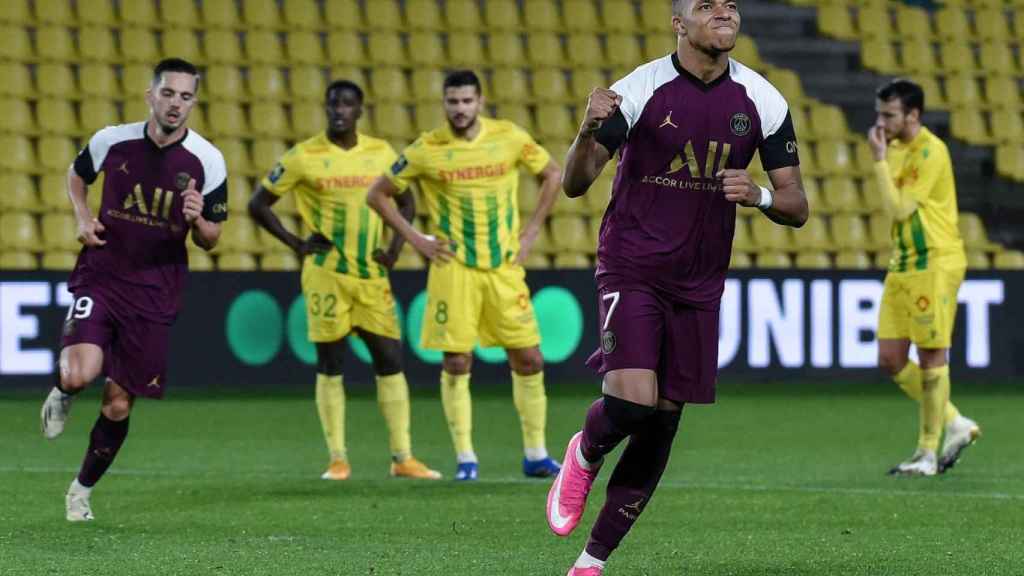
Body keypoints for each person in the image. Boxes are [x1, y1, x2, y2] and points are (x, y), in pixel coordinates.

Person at [548, 0, 809, 573]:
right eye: (706, 5)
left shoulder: (763, 99)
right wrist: (587, 128)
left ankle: (592, 562)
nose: (724, 13)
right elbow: (576, 182)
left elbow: (796, 205)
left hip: (700, 282)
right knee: (631, 404)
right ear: (679, 23)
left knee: (663, 421)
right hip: (633, 265)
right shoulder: (640, 89)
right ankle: (585, 451)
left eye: (731, 5)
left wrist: (760, 194)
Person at [39, 58, 228, 521]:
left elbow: (212, 238)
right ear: (151, 95)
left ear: (193, 103)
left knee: (119, 403)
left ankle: (80, 492)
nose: (175, 104)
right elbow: (77, 173)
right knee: (80, 374)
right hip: (103, 274)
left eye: (186, 97)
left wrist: (196, 218)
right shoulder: (112, 140)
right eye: (168, 94)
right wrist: (82, 216)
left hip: (155, 292)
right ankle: (64, 389)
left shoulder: (208, 160)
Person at [366, 70, 563, 481]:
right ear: (444, 104)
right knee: (457, 360)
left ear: (480, 101)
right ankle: (466, 458)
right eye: (452, 102)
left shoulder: (508, 136)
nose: (459, 109)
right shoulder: (427, 148)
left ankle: (536, 454)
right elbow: (377, 194)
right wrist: (416, 239)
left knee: (529, 358)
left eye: (466, 101)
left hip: (502, 267)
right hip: (452, 268)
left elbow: (553, 174)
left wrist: (531, 230)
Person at [249, 80, 440, 481]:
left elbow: (406, 198)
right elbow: (258, 204)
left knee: (390, 358)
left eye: (348, 104)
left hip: (371, 276)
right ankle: (338, 458)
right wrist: (297, 243)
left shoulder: (381, 153)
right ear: (326, 107)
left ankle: (402, 457)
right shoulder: (304, 156)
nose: (340, 110)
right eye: (334, 103)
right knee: (330, 362)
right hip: (327, 275)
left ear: (360, 110)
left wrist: (394, 249)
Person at [868, 78, 980, 477]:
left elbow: (898, 210)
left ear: (913, 115)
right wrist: (884, 158)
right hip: (903, 264)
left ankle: (927, 453)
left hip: (935, 261)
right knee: (890, 358)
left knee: (932, 356)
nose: (880, 122)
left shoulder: (931, 151)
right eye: (880, 113)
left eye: (889, 115)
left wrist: (879, 161)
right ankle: (956, 423)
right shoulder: (896, 149)